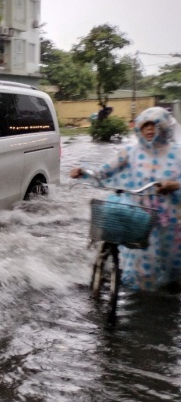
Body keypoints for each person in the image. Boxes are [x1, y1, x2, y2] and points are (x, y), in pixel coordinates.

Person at [70, 107, 181, 291]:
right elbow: (105, 171)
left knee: (172, 263)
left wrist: (173, 185)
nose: (150, 130)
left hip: (171, 218)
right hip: (141, 215)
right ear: (139, 129)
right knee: (145, 260)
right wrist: (83, 171)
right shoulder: (130, 152)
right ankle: (142, 301)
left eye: (155, 125)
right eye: (145, 126)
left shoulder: (177, 152)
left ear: (164, 128)